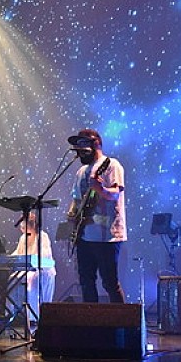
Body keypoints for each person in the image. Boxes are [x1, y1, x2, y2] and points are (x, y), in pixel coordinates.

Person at [67, 128, 127, 303]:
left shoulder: (111, 164)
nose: (80, 150)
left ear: (96, 144)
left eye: (83, 145)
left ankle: (122, 318)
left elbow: (115, 194)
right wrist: (71, 214)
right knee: (86, 282)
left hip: (107, 235)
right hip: (84, 235)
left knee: (109, 283)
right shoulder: (81, 172)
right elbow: (76, 198)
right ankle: (90, 318)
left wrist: (100, 189)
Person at [6, 211, 56, 322]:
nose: (22, 230)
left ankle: (33, 317)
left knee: (32, 280)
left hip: (41, 271)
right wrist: (9, 259)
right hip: (26, 270)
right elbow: (17, 253)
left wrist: (30, 259)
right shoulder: (23, 238)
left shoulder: (42, 236)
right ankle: (11, 313)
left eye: (24, 228)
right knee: (12, 280)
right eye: (22, 228)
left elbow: (44, 257)